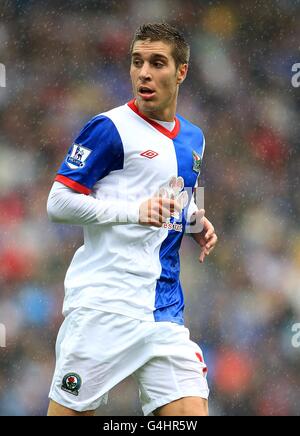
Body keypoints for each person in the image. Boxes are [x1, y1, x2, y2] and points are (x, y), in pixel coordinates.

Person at [47, 22, 218, 417]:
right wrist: (134, 213)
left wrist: (193, 220)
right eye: (137, 62)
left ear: (181, 72)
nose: (143, 72)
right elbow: (58, 203)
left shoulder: (194, 138)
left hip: (164, 312)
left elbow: (171, 191)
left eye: (157, 63)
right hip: (106, 307)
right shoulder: (109, 128)